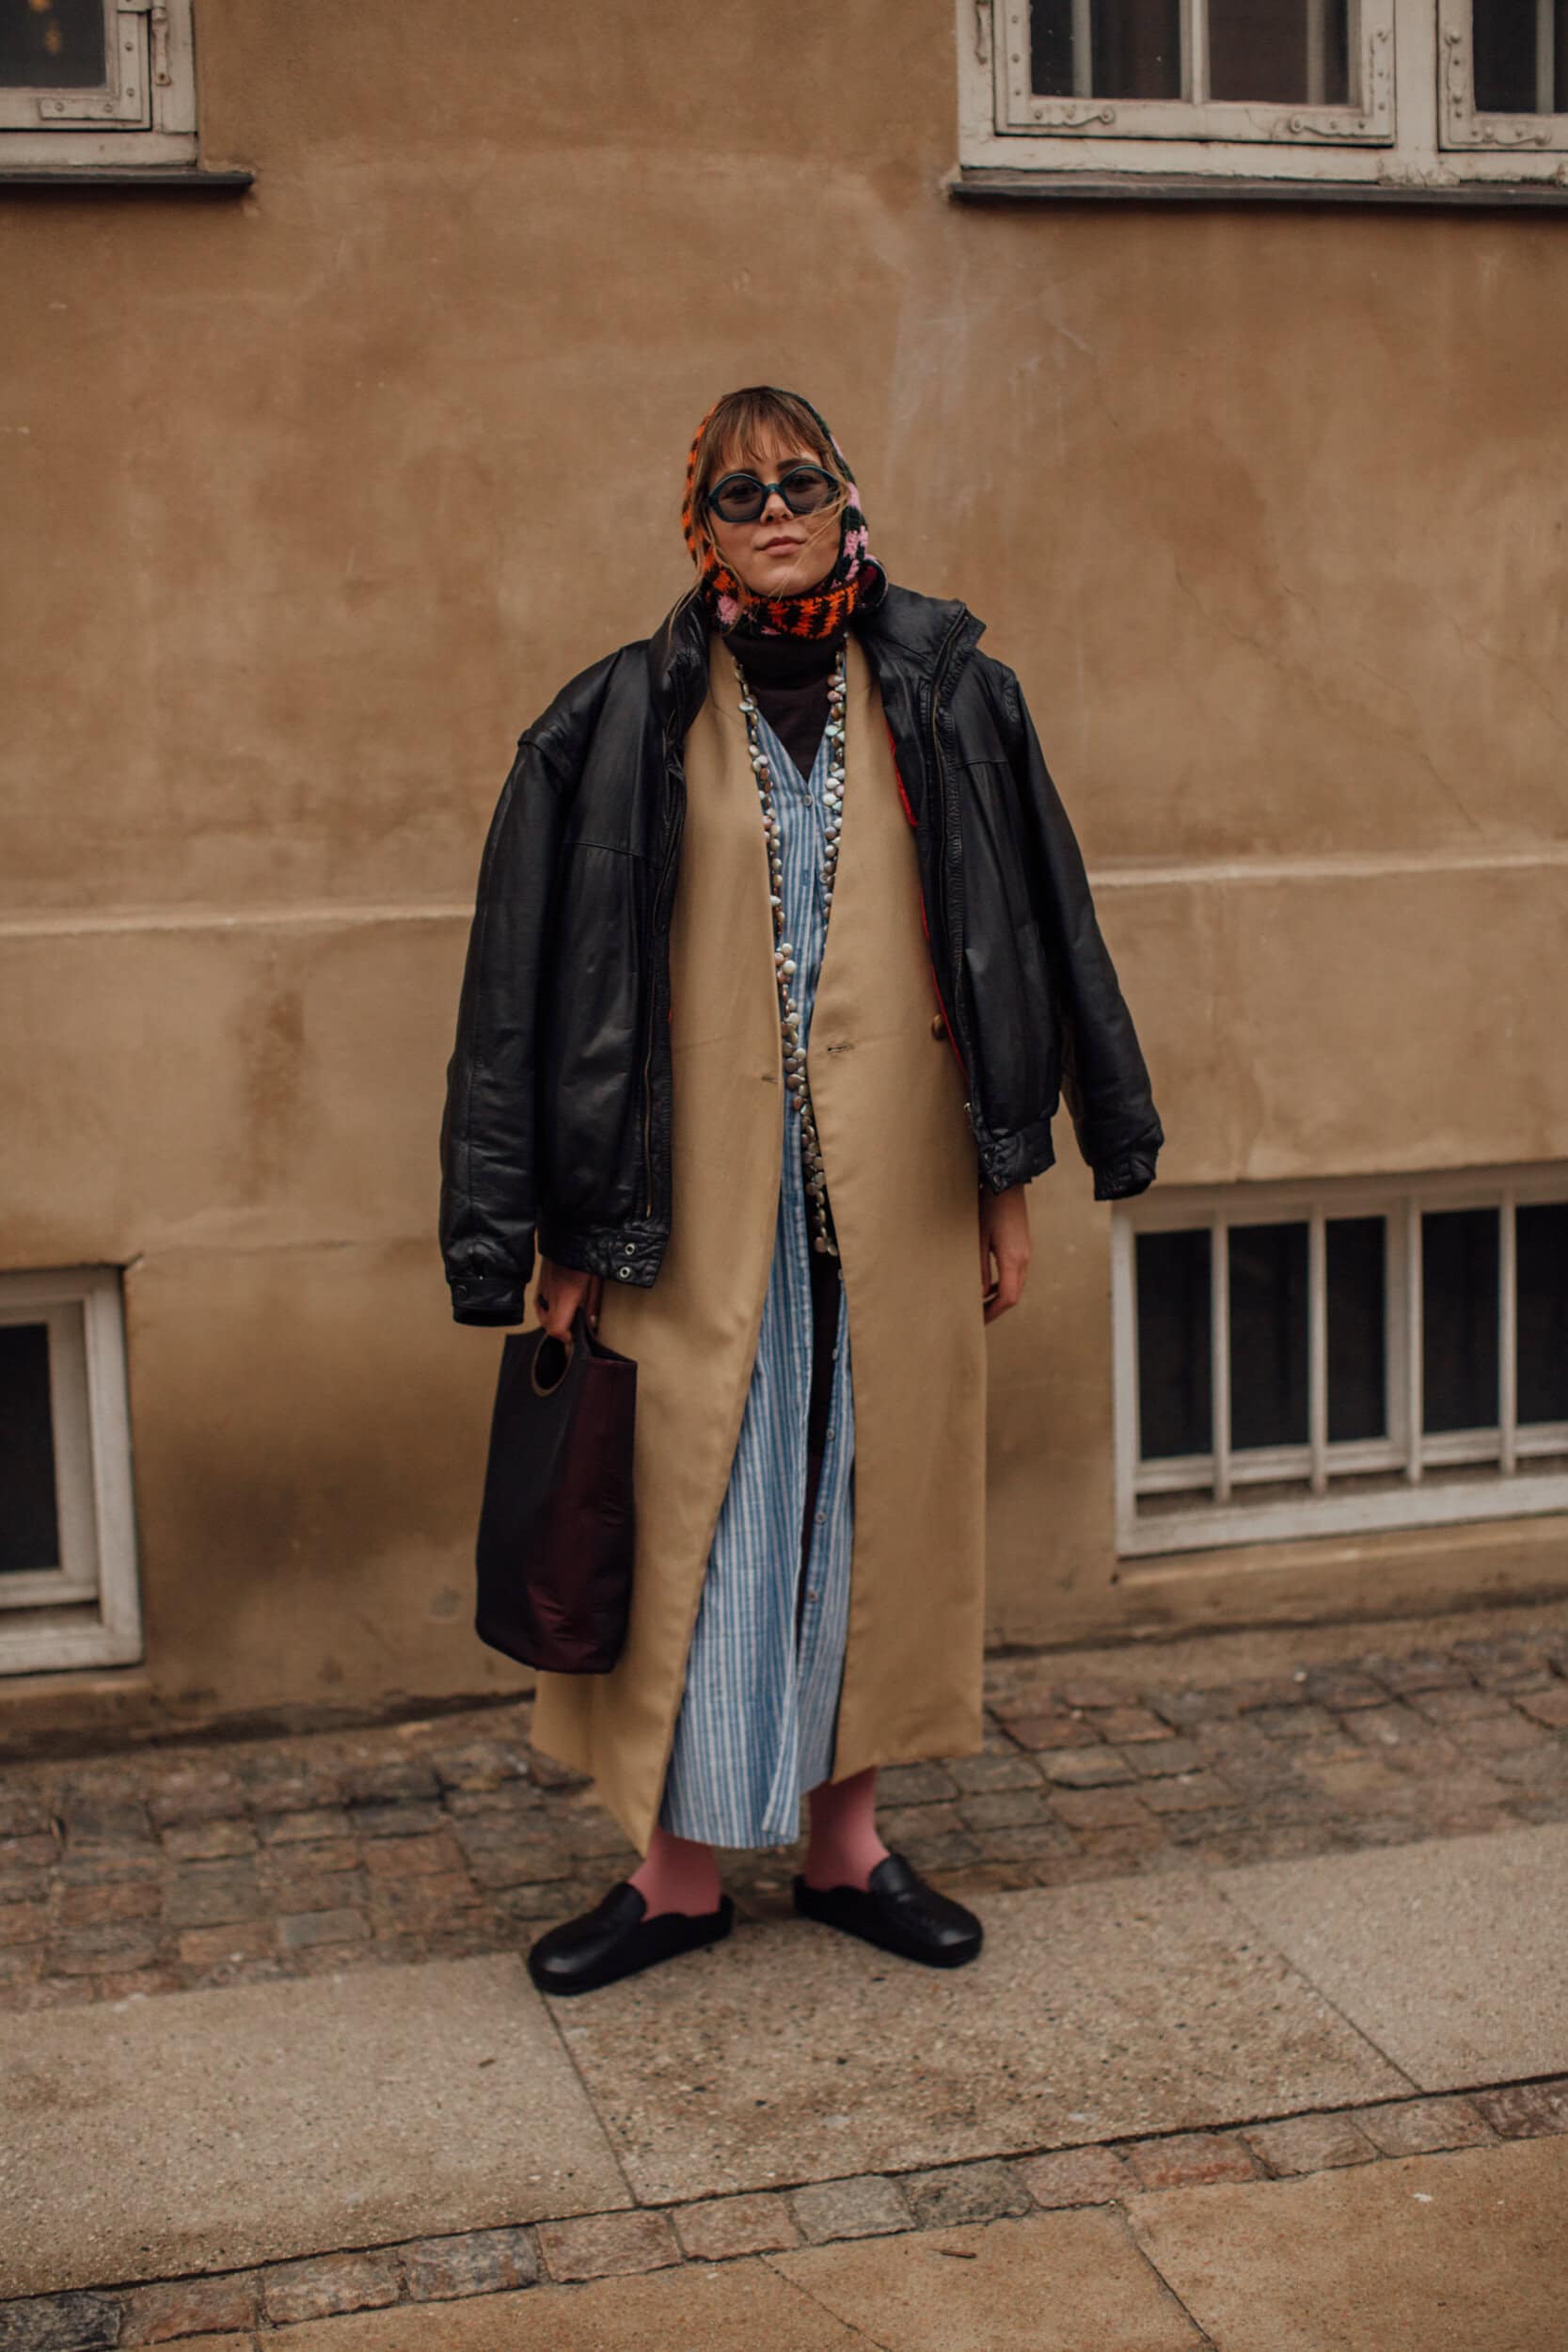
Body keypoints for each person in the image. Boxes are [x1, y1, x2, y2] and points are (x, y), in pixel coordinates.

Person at [439, 387, 1162, 1995]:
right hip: (684, 1203)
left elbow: (1036, 931)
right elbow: (524, 996)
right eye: (739, 490)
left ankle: (849, 1847)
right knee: (691, 1514)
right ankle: (674, 1875)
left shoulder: (954, 696)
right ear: (697, 525)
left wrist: (1014, 1181)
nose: (775, 510)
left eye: (802, 482)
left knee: (870, 1496)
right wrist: (551, 1235)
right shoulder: (609, 721)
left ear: (847, 501)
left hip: (896, 1184)